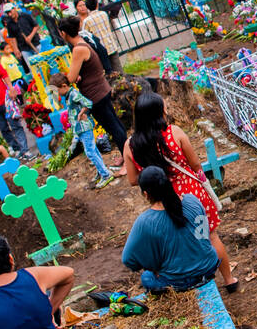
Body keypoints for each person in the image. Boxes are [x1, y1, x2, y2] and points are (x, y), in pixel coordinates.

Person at [123, 91, 235, 291]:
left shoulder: (130, 146)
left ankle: (184, 277)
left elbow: (133, 180)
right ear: (159, 113)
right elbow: (195, 164)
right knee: (210, 236)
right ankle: (228, 280)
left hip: (161, 199)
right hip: (191, 193)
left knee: (176, 241)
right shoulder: (174, 133)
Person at [121, 167, 222, 294]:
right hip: (209, 267)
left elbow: (128, 260)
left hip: (181, 282)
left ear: (146, 195)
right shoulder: (192, 200)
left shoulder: (146, 222)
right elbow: (203, 236)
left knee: (146, 277)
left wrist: (153, 266)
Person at [60, 16, 125, 170]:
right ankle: (126, 155)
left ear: (63, 33)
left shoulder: (78, 49)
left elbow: (70, 78)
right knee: (115, 125)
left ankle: (129, 164)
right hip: (101, 90)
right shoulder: (83, 41)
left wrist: (67, 76)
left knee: (113, 128)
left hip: (95, 95)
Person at [49, 73, 115, 188]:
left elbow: (88, 103)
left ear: (64, 86)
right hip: (79, 128)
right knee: (92, 150)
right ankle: (101, 171)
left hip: (84, 126)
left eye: (57, 90)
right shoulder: (68, 96)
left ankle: (105, 174)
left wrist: (82, 113)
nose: (57, 93)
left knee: (90, 152)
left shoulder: (73, 94)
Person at [81, 0, 120, 64]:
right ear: (97, 5)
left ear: (87, 7)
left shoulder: (86, 21)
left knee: (108, 72)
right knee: (119, 71)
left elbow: (84, 36)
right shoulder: (104, 14)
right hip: (111, 46)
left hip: (100, 51)